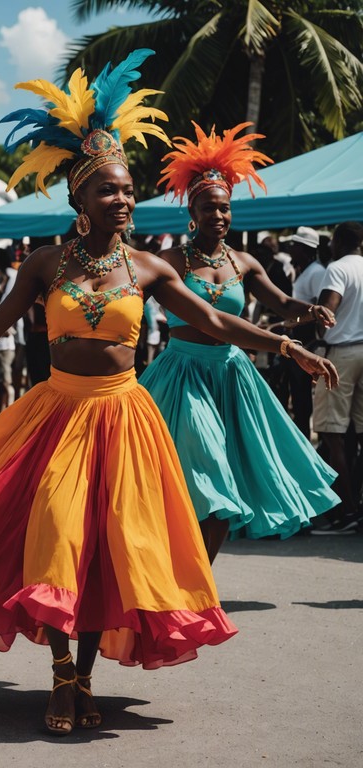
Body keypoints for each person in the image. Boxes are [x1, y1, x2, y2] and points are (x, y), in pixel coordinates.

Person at [0, 51, 337, 735]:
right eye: (108, 192)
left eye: (127, 192)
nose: (122, 201)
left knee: (107, 552)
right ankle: (62, 678)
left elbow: (213, 320)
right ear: (77, 200)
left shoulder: (148, 267)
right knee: (59, 538)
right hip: (56, 414)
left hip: (124, 416)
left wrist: (284, 344)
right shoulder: (42, 263)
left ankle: (83, 676)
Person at [139, 123, 339, 562]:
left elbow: (285, 304)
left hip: (232, 374)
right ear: (192, 212)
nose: (219, 217)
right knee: (199, 471)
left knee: (225, 481)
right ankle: (172, 573)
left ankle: (200, 582)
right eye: (209, 209)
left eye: (225, 208)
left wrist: (310, 312)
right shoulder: (167, 261)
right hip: (182, 375)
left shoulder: (245, 262)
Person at [311, 221, 363, 533]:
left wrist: (317, 332)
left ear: (338, 242)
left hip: (341, 353)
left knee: (333, 434)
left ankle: (347, 512)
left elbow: (327, 313)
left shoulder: (338, 268)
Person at [287, 227, 326, 436]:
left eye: (295, 246)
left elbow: (321, 309)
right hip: (299, 339)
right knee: (300, 395)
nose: (291, 249)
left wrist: (296, 322)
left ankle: (307, 438)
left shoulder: (317, 272)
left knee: (304, 396)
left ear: (304, 249)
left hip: (308, 341)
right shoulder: (305, 271)